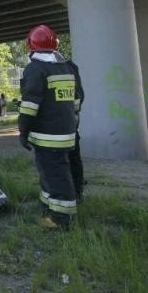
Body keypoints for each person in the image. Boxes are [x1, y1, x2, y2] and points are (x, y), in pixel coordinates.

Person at [17, 24, 78, 231]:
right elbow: (76, 101)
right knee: (50, 172)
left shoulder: (35, 69)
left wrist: (23, 131)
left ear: (31, 46)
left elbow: (29, 106)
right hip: (67, 131)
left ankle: (61, 219)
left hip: (47, 135)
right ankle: (47, 206)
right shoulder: (68, 67)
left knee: (55, 174)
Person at [66, 59, 86, 201]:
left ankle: (64, 196)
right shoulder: (71, 67)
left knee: (55, 164)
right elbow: (80, 97)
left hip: (51, 130)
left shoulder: (42, 68)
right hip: (71, 126)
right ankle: (78, 192)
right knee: (74, 160)